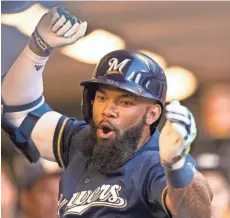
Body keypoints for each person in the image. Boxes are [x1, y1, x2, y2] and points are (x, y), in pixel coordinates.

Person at [1, 7, 213, 218]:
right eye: (102, 98)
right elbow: (16, 110)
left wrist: (176, 166)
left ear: (152, 114)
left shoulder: (154, 161)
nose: (108, 110)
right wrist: (38, 48)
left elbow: (197, 213)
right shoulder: (79, 143)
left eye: (125, 102)